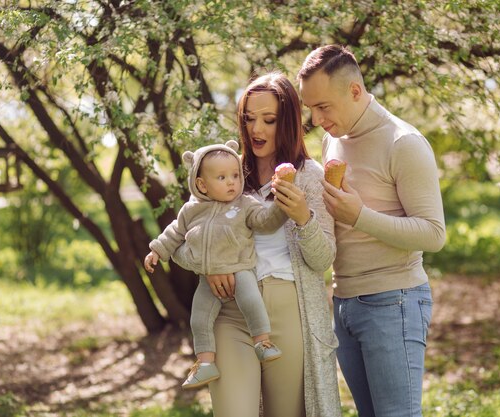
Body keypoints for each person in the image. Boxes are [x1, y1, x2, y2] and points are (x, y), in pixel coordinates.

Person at [173, 72, 342, 417]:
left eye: (269, 120)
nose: (256, 130)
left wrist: (303, 218)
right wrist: (207, 266)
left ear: (290, 121)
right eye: (249, 119)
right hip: (231, 311)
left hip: (288, 310)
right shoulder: (226, 173)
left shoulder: (310, 176)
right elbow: (179, 236)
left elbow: (322, 259)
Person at [298, 44, 446, 417]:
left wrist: (360, 215)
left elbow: (433, 233)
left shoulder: (403, 143)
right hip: (344, 302)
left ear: (354, 91)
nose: (316, 119)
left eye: (323, 107)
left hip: (392, 301)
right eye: (311, 108)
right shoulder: (335, 137)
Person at [144, 141, 286, 389]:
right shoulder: (191, 210)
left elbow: (265, 221)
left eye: (235, 175)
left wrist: (282, 208)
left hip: (240, 269)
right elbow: (174, 233)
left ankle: (262, 342)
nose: (232, 182)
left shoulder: (244, 205)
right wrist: (157, 249)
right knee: (198, 318)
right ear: (201, 184)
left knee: (251, 300)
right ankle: (205, 362)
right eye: (222, 177)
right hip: (206, 280)